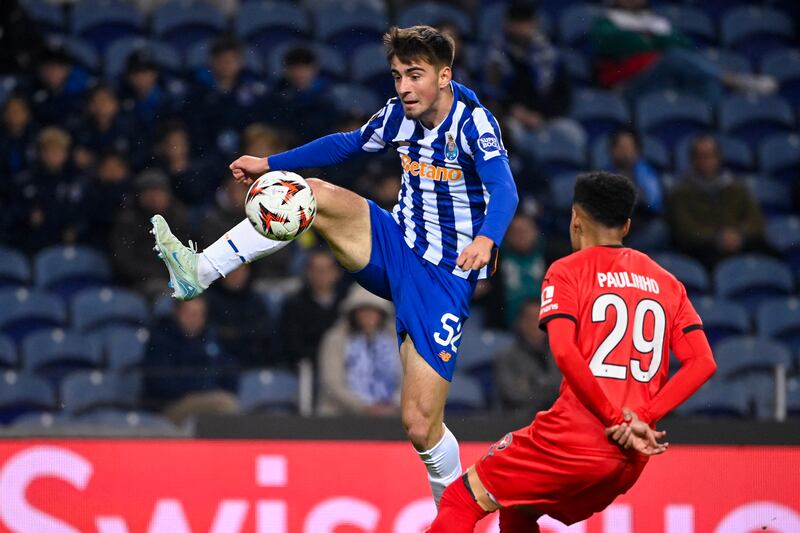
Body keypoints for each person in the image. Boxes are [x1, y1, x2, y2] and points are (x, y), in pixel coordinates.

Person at [150, 25, 518, 505]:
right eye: (396, 76)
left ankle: (453, 510)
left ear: (444, 76)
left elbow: (505, 189)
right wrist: (270, 162)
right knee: (314, 194)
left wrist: (488, 238)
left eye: (415, 75)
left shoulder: (474, 124)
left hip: (443, 278)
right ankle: (199, 270)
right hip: (396, 244)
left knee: (420, 425)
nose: (404, 87)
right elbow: (346, 144)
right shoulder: (397, 116)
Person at [427, 171, 716, 531]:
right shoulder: (667, 282)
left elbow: (564, 354)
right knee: (520, 508)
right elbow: (702, 362)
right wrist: (640, 419)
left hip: (577, 436)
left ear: (575, 220)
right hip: (630, 455)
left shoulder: (567, 271)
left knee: (461, 498)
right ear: (626, 226)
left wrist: (615, 420)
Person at [591, 0, 776, 103]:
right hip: (630, 85)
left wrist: (651, 40)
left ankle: (710, 137)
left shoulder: (655, 21)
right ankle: (732, 80)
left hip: (666, 80)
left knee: (708, 83)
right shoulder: (607, 21)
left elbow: (684, 43)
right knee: (674, 58)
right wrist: (657, 41)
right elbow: (615, 43)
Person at [667, 135, 766, 269]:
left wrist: (739, 234)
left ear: (718, 157)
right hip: (705, 249)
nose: (706, 161)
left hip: (741, 242)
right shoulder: (681, 193)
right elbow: (686, 231)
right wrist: (717, 237)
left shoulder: (737, 188)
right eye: (701, 156)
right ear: (693, 160)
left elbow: (756, 221)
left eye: (710, 155)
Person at [317, 284, 401, 416]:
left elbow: (409, 380)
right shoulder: (335, 340)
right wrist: (363, 406)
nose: (368, 315)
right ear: (353, 313)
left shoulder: (397, 340)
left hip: (393, 414)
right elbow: (332, 383)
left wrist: (394, 404)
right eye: (363, 310)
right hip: (342, 415)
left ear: (381, 313)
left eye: (373, 310)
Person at [494, 299, 560, 415]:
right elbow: (513, 394)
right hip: (519, 420)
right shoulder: (506, 357)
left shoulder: (560, 353)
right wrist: (548, 389)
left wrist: (533, 384)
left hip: (557, 418)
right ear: (521, 322)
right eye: (530, 319)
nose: (535, 324)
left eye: (539, 319)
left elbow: (566, 390)